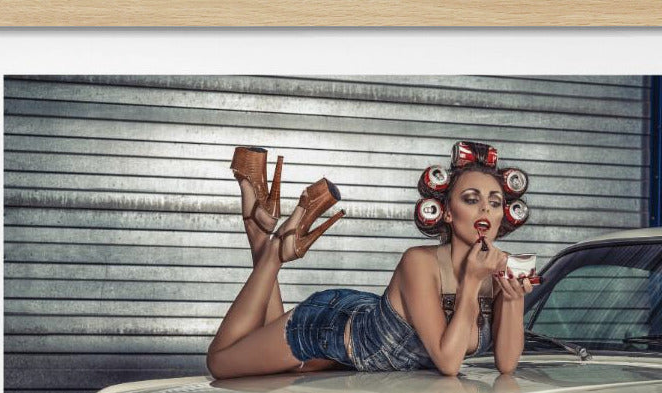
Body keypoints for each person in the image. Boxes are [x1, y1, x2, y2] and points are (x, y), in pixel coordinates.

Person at [206, 141, 537, 379]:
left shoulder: (504, 266)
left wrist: (513, 300)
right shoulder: (419, 263)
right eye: (471, 199)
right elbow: (448, 363)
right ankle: (274, 253)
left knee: (267, 364)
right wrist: (472, 282)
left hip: (360, 343)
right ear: (447, 212)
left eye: (495, 202)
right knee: (222, 363)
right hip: (328, 327)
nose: (485, 209)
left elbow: (507, 364)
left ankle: (259, 226)